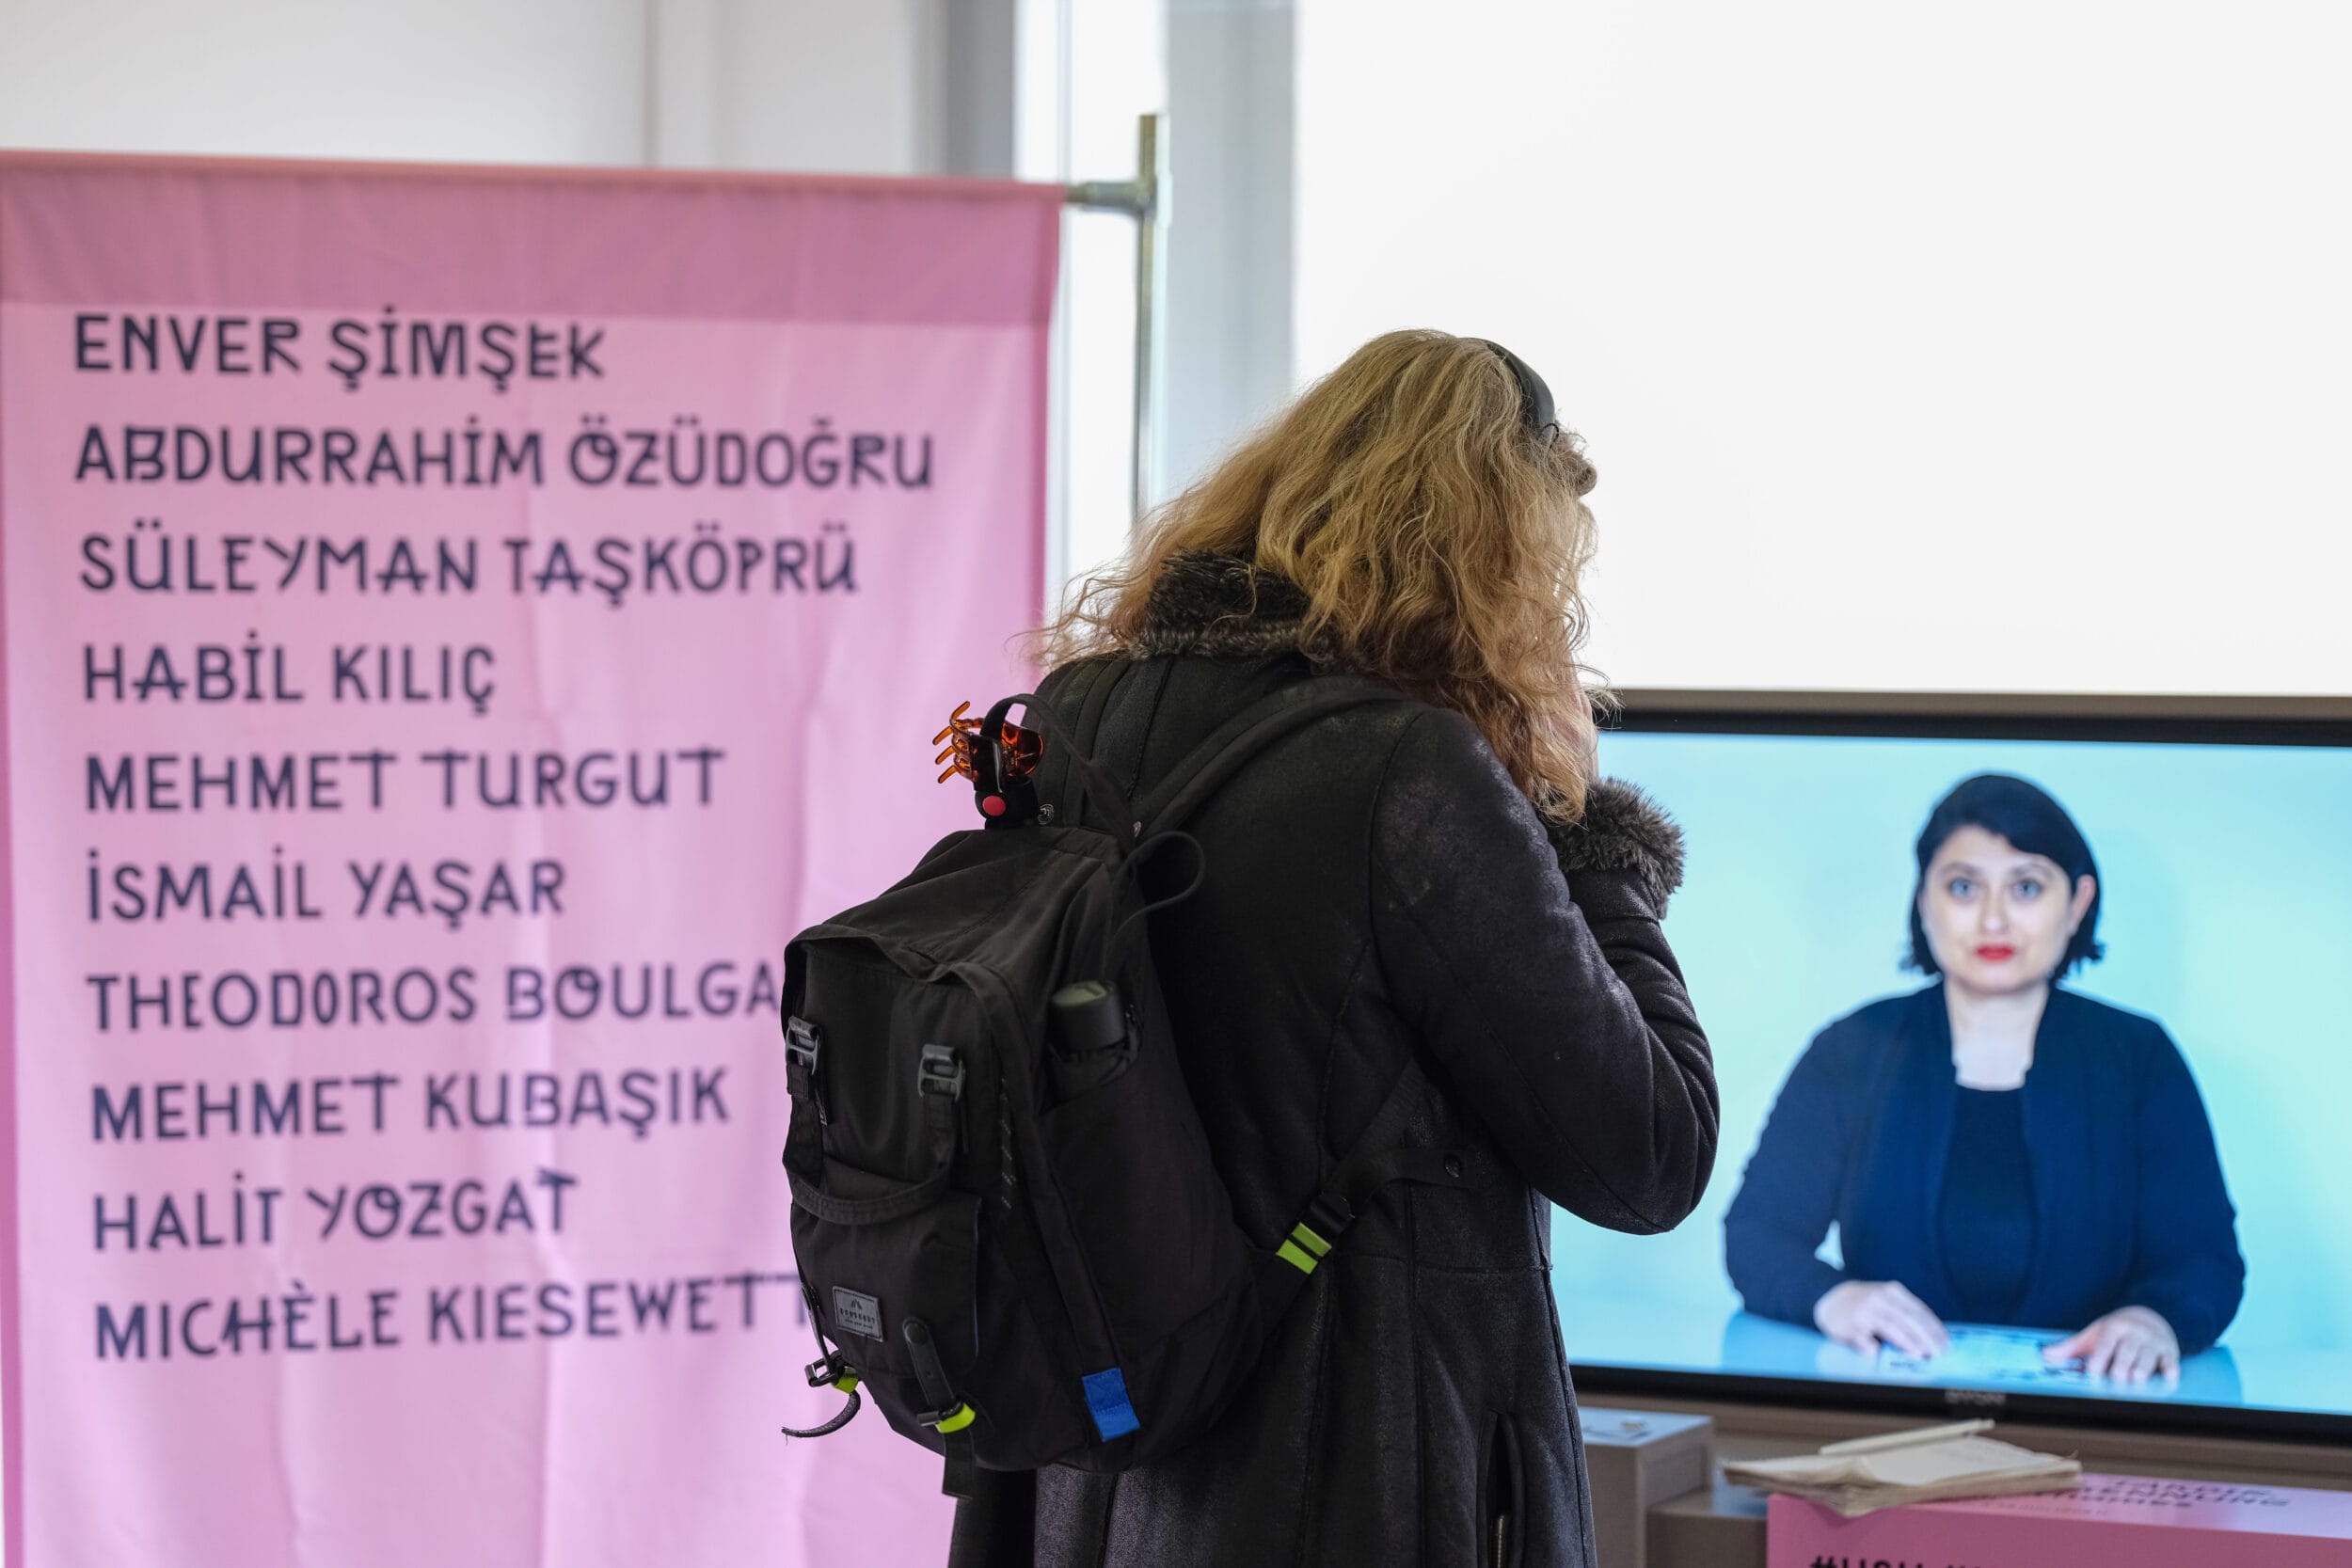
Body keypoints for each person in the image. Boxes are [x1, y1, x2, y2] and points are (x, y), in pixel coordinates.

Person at [947, 330, 1719, 1567]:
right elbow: (1650, 1149)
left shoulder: (1079, 720)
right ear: (1494, 556)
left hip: (1089, 1473)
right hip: (1351, 1482)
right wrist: (1603, 845)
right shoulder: (1408, 776)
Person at [1724, 773, 2245, 1386]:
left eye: (2026, 886)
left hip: (2098, 1416)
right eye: (1964, 886)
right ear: (1924, 901)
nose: (1994, 919)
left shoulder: (2141, 1058)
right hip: (1886, 1414)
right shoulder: (1851, 1049)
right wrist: (1832, 1297)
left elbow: (2205, 1261)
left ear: (2076, 903)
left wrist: (2155, 1318)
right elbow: (1757, 1236)